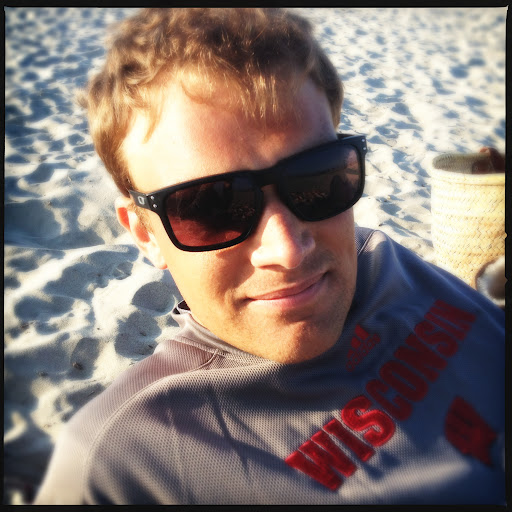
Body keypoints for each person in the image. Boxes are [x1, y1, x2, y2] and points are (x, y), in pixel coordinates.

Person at [34, 8, 505, 505]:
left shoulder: (386, 258)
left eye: (319, 178)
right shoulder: (121, 468)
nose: (288, 250)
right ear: (145, 235)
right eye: (210, 206)